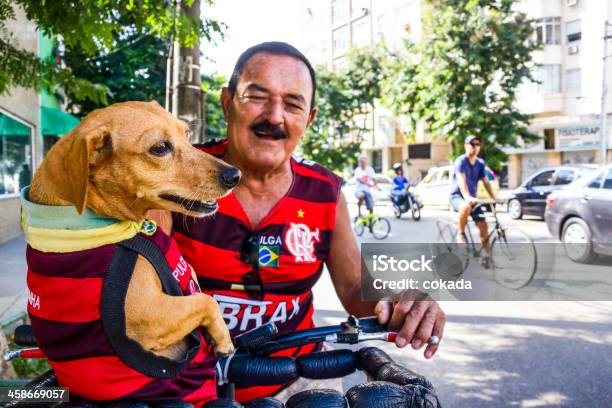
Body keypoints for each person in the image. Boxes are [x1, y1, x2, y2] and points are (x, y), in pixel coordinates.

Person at [151, 42, 446, 403]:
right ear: (227, 103)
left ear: (308, 119)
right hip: (186, 386)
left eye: (292, 105)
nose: (275, 117)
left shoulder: (326, 192)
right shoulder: (177, 177)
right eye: (257, 97)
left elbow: (355, 289)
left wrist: (401, 301)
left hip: (299, 382)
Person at [449, 136, 496, 246]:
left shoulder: (480, 163)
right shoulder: (460, 161)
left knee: (484, 226)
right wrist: (467, 197)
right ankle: (461, 233)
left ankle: (487, 259)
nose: (475, 147)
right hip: (458, 197)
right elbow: (461, 182)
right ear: (466, 146)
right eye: (472, 144)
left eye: (477, 144)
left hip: (472, 200)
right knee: (466, 206)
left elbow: (486, 182)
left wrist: (493, 197)